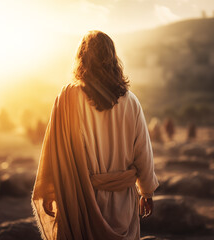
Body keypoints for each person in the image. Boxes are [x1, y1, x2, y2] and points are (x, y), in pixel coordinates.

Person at [32, 30, 159, 240]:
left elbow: (54, 150)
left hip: (80, 199)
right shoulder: (131, 101)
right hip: (123, 203)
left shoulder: (68, 97)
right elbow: (143, 153)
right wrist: (146, 192)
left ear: (82, 58)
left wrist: (50, 190)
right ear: (113, 59)